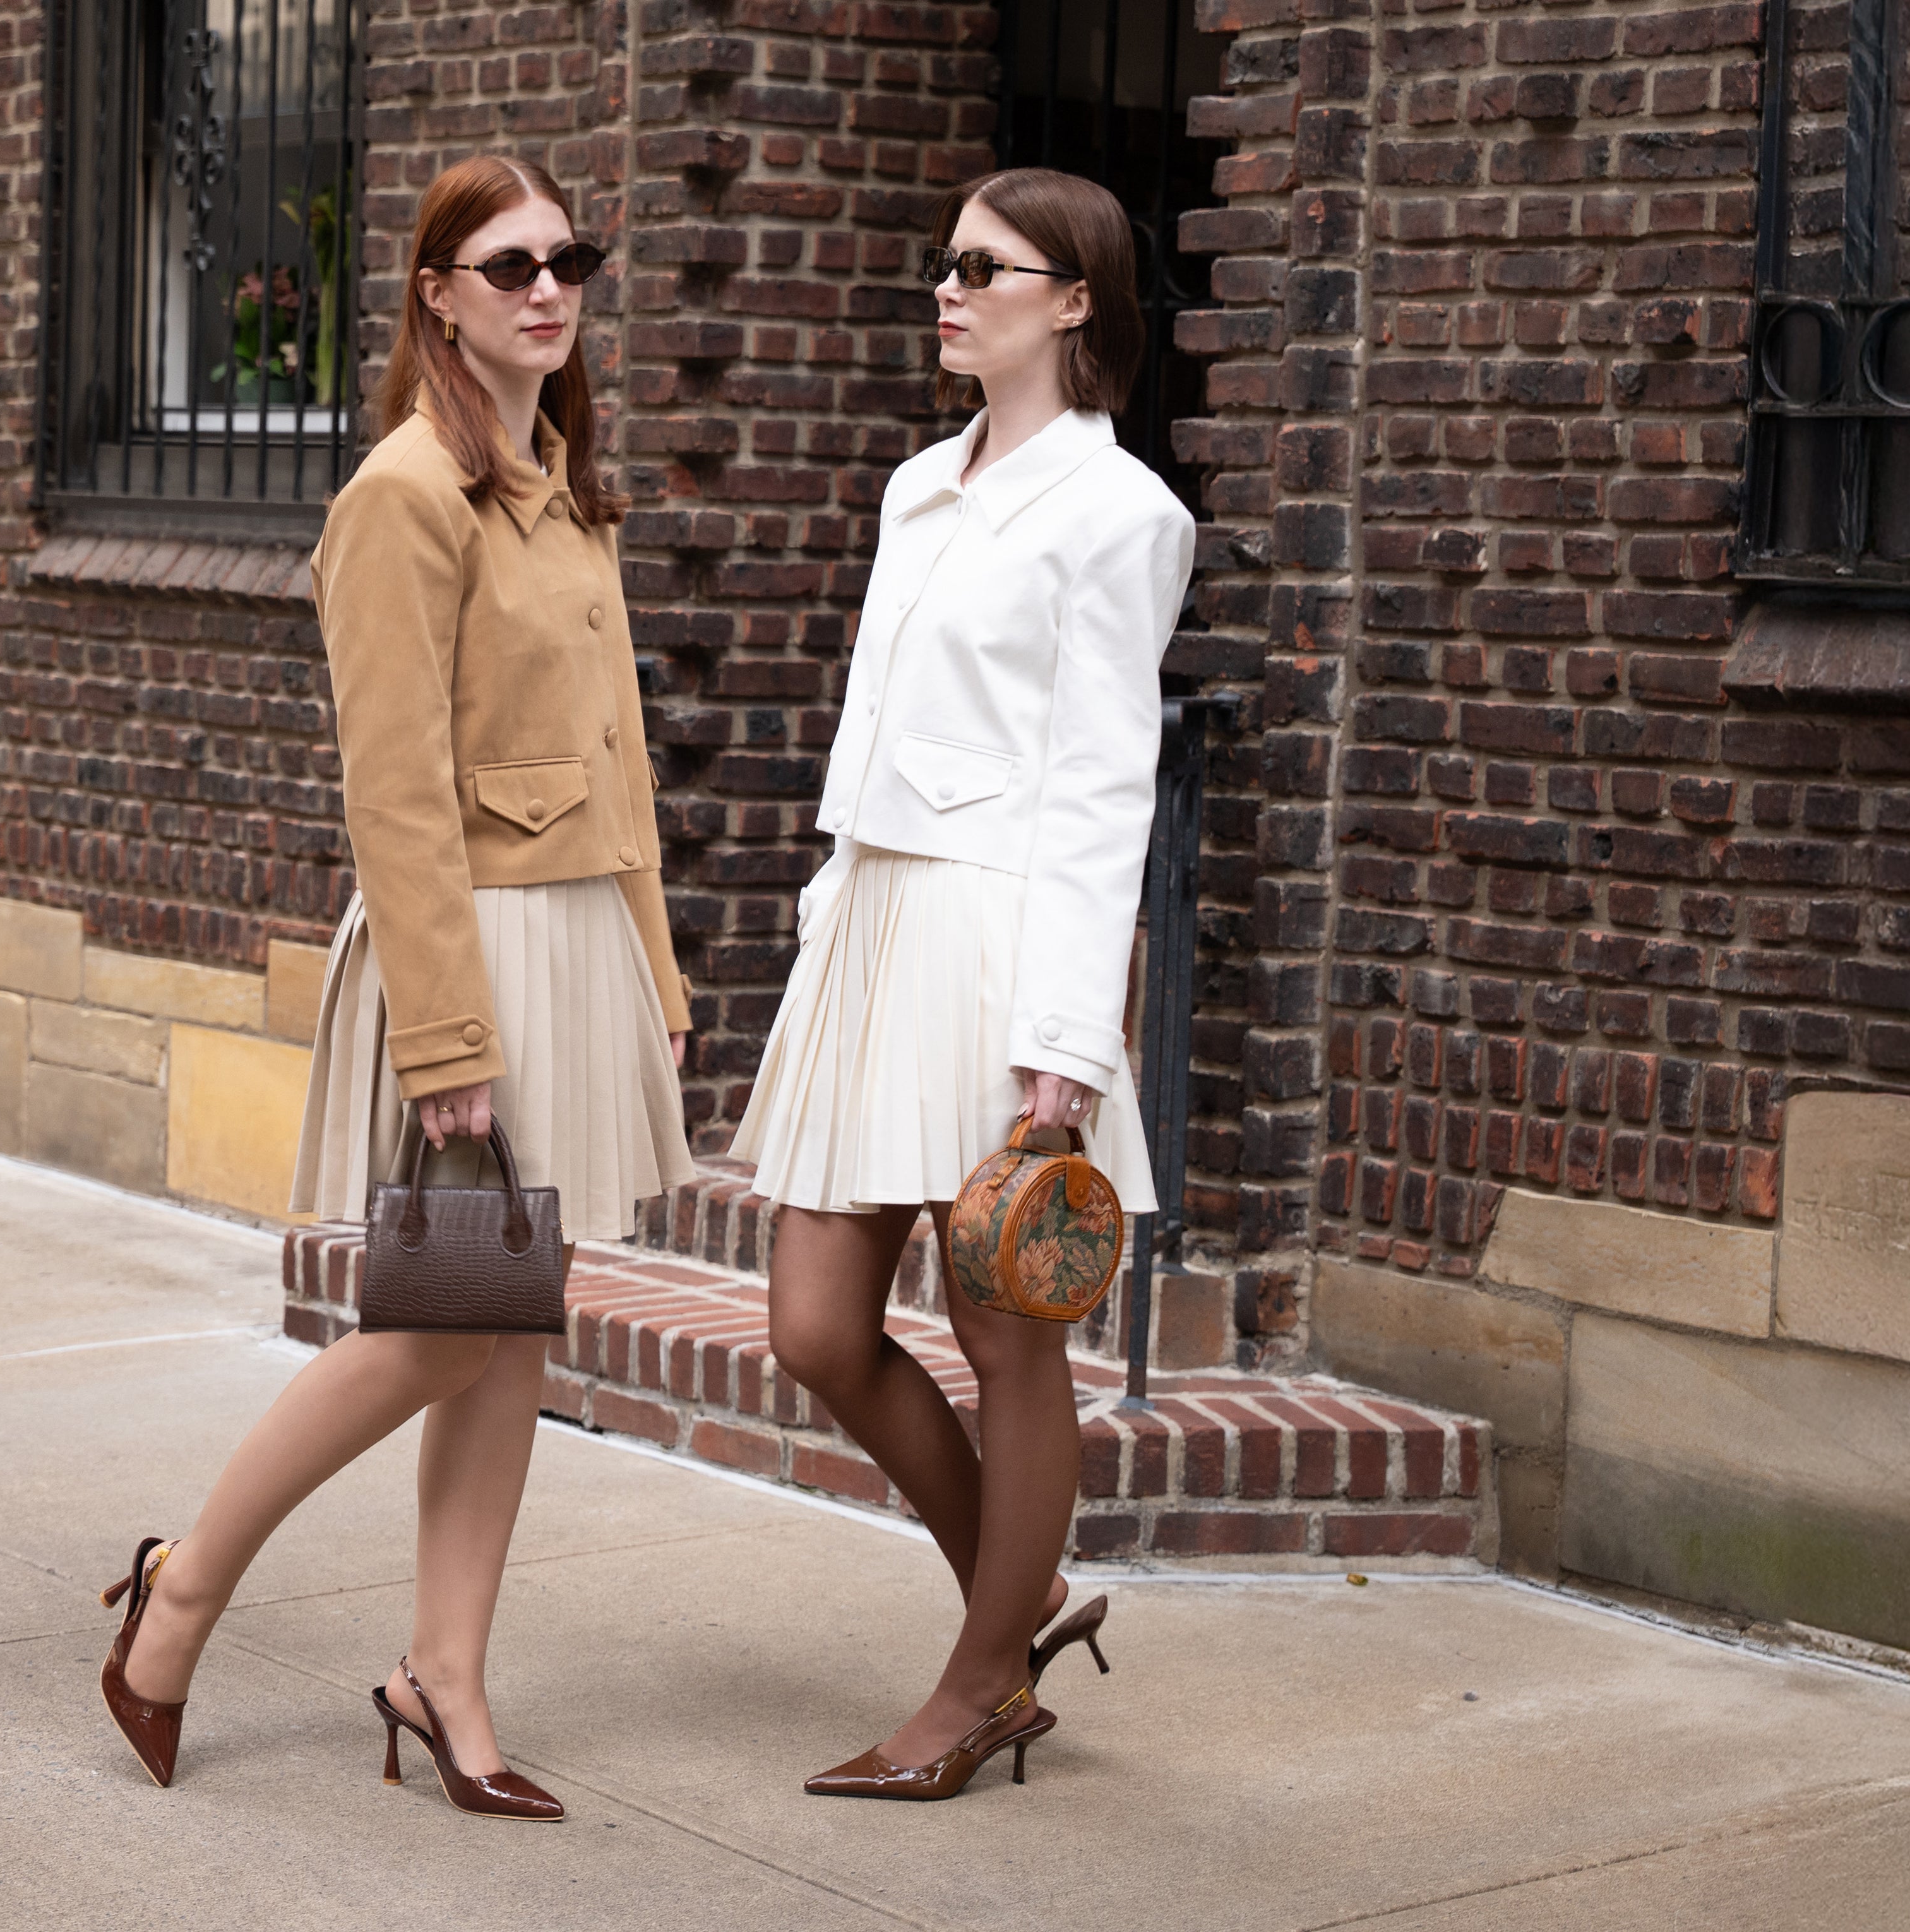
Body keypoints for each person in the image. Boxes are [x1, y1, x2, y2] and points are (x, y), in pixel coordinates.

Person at [94, 154, 695, 1822]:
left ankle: (448, 1672)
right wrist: (449, 1035)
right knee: (443, 1328)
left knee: (507, 1338)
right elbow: (398, 788)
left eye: (568, 258)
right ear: (433, 290)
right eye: (507, 265)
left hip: (575, 942)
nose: (547, 289)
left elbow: (618, 758)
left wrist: (652, 964)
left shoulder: (561, 480)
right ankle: (187, 1581)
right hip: (474, 948)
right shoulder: (404, 494)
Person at [729, 167, 1195, 1800]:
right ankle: (1023, 1596)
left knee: (1007, 1341)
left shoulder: (1123, 514)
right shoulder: (917, 486)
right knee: (814, 1324)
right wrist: (822, 925)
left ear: (1074, 300)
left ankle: (981, 1678)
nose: (949, 288)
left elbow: (1101, 790)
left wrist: (1062, 1047)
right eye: (946, 264)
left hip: (1004, 952)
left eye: (984, 268)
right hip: (875, 928)